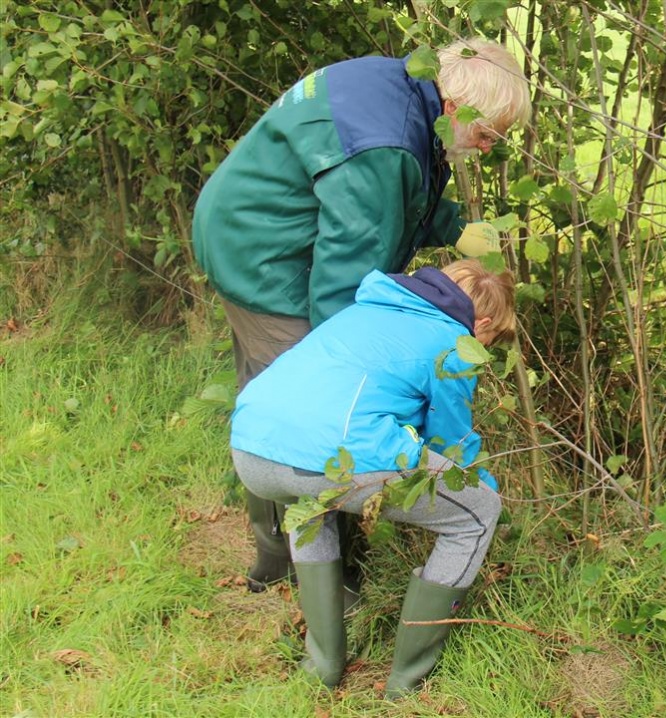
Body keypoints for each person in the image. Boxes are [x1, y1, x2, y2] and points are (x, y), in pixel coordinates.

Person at [191, 38, 531, 597]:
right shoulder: (387, 145)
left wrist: (451, 226)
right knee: (313, 416)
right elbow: (342, 293)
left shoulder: (407, 87)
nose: (489, 149)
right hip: (265, 257)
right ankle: (327, 581)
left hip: (243, 226)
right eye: (487, 134)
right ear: (454, 109)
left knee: (273, 394)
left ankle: (279, 555)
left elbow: (393, 197)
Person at [229, 259, 515, 697]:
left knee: (312, 504)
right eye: (490, 341)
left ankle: (322, 664)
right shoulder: (454, 342)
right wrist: (485, 487)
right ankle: (406, 682)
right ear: (485, 323)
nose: (484, 350)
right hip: (329, 455)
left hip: (252, 449)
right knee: (477, 513)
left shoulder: (366, 307)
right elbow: (452, 446)